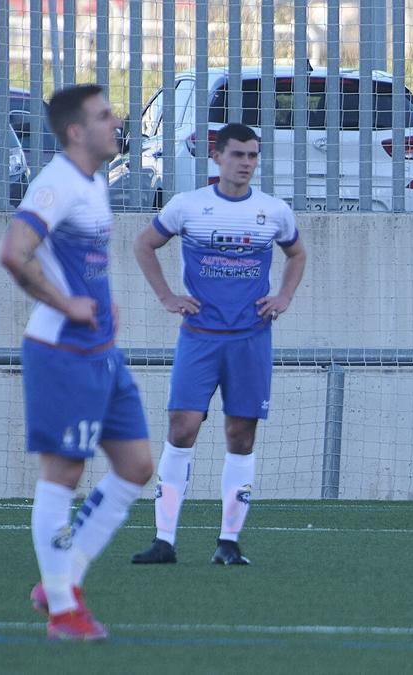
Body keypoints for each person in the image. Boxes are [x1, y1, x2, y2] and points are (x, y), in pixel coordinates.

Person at [0, 84, 153, 640]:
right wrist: (67, 303)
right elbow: (13, 251)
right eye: (104, 115)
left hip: (100, 351)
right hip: (61, 351)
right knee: (62, 475)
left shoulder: (92, 181)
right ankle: (63, 611)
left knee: (136, 465)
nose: (116, 122)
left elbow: (79, 259)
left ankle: (59, 582)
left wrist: (99, 296)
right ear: (75, 132)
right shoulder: (57, 182)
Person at [130, 123, 307, 565]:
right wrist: (167, 297)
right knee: (182, 428)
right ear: (217, 157)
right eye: (238, 155)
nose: (246, 164)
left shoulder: (274, 211)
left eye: (252, 156)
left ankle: (229, 542)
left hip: (251, 339)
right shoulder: (188, 206)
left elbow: (297, 253)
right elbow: (144, 244)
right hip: (200, 337)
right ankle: (164, 540)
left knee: (240, 434)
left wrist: (284, 296)